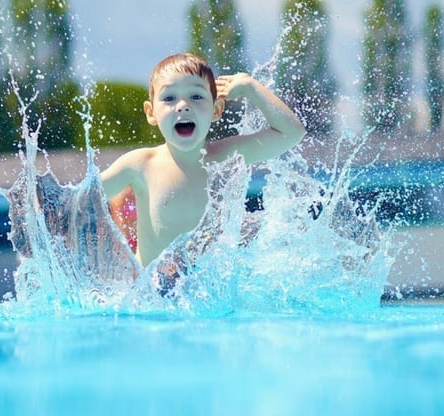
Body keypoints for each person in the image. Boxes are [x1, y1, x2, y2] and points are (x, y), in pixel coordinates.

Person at [99, 53, 306, 266]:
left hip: (206, 291)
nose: (183, 106)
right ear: (151, 112)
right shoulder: (141, 164)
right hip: (152, 293)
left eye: (196, 97)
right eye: (169, 98)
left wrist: (251, 88)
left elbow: (292, 133)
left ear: (216, 110)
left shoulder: (227, 156)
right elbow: (82, 198)